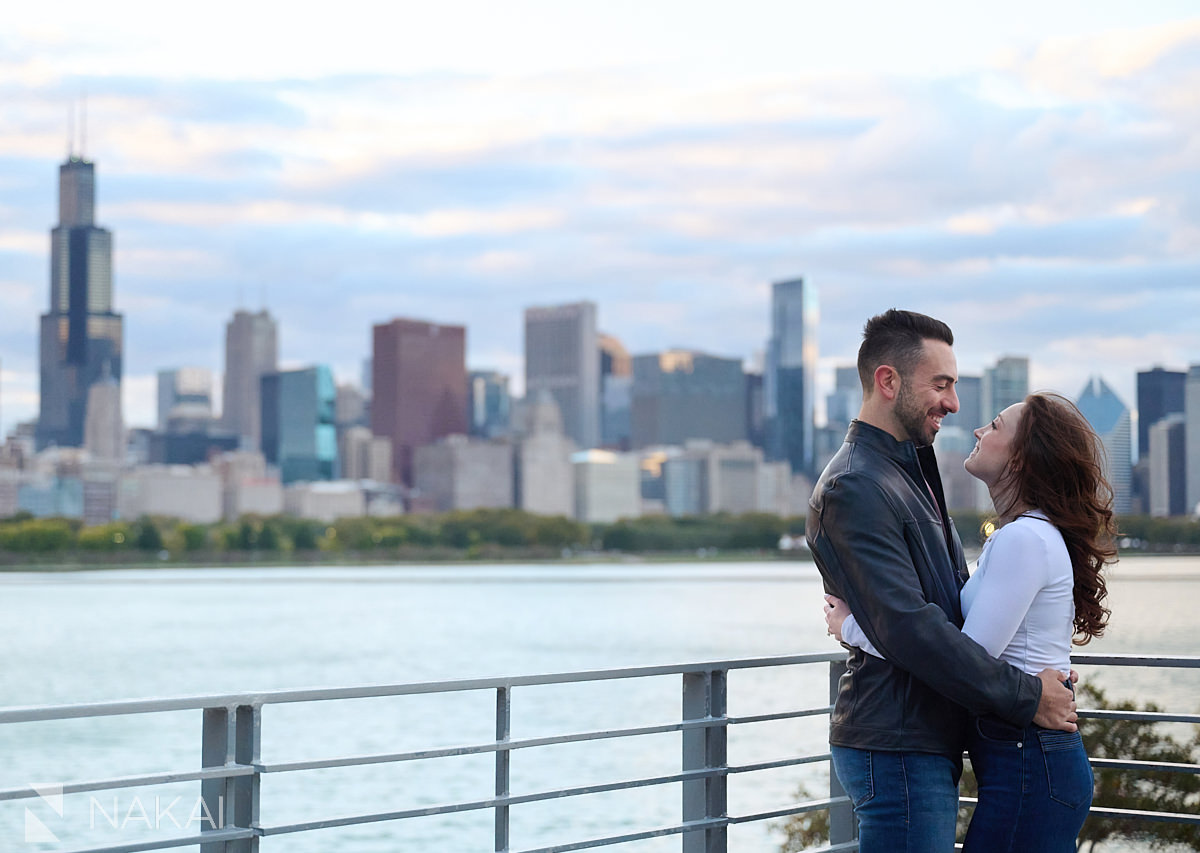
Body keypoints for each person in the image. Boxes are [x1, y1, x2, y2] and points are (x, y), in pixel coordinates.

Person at [805, 308, 1079, 852]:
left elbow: (952, 609)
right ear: (888, 381)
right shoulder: (858, 484)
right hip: (897, 742)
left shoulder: (910, 472)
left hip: (923, 736)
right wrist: (1028, 695)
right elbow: (909, 626)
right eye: (941, 384)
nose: (954, 404)